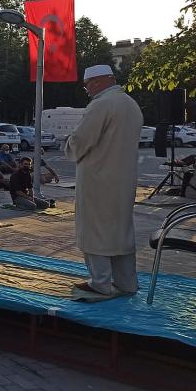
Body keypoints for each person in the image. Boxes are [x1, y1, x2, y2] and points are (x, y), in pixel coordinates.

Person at [64, 64, 143, 300]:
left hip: (98, 180)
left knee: (94, 231)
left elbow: (80, 141)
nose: (86, 89)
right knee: (121, 232)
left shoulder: (101, 105)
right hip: (124, 181)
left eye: (87, 84)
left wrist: (67, 145)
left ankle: (100, 283)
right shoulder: (131, 104)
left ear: (97, 82)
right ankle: (127, 282)